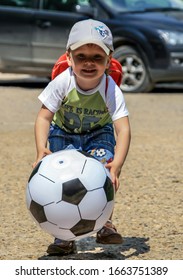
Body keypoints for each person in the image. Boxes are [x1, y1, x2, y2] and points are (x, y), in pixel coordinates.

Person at [33, 19, 131, 256]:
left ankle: (104, 223)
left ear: (108, 60)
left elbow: (124, 129)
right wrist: (40, 149)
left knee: (101, 175)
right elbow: (44, 117)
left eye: (97, 57)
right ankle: (63, 237)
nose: (89, 63)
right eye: (81, 56)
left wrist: (116, 165)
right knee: (61, 183)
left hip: (99, 134)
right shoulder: (63, 82)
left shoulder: (110, 88)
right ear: (69, 57)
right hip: (63, 132)